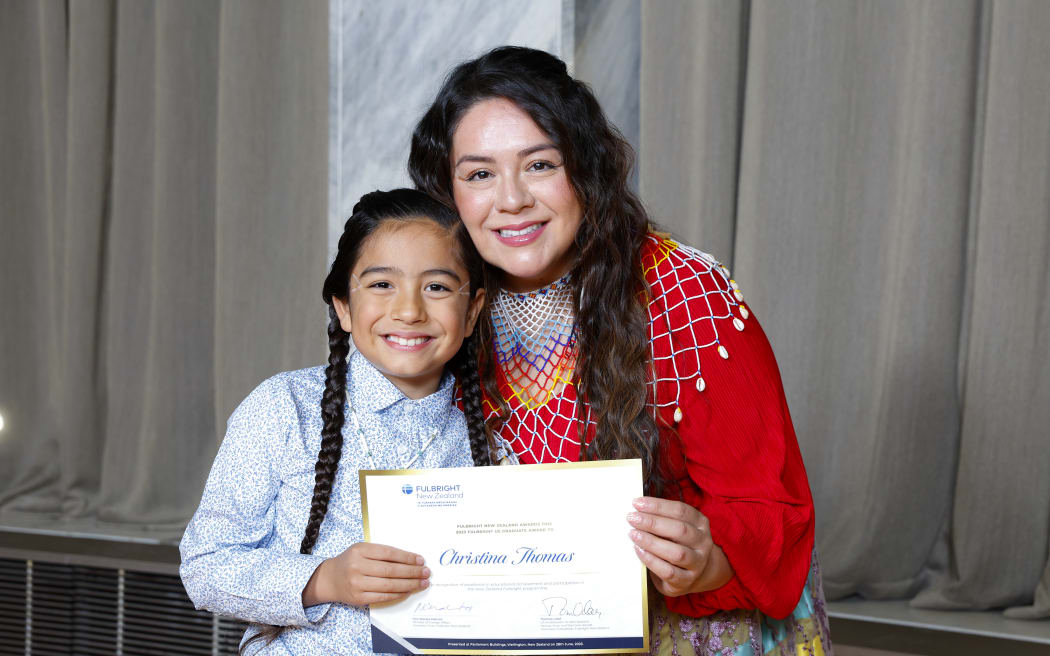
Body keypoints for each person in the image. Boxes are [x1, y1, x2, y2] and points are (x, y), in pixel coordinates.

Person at [409, 47, 831, 654]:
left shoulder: (684, 295)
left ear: (586, 168)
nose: (511, 200)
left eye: (540, 165)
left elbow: (772, 510)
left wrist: (706, 560)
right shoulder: (440, 300)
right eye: (479, 174)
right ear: (448, 193)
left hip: (690, 627)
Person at [179, 189, 489, 654]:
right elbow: (205, 567)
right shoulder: (284, 406)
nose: (409, 310)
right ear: (343, 306)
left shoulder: (490, 436)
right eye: (382, 284)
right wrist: (326, 579)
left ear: (472, 312)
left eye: (437, 287)